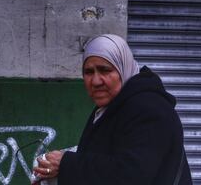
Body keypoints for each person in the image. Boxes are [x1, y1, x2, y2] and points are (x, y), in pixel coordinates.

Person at [33, 34, 192, 185]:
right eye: (88, 72)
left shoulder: (150, 110)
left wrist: (66, 164)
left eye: (105, 70)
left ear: (123, 68)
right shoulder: (112, 108)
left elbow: (132, 175)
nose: (95, 81)